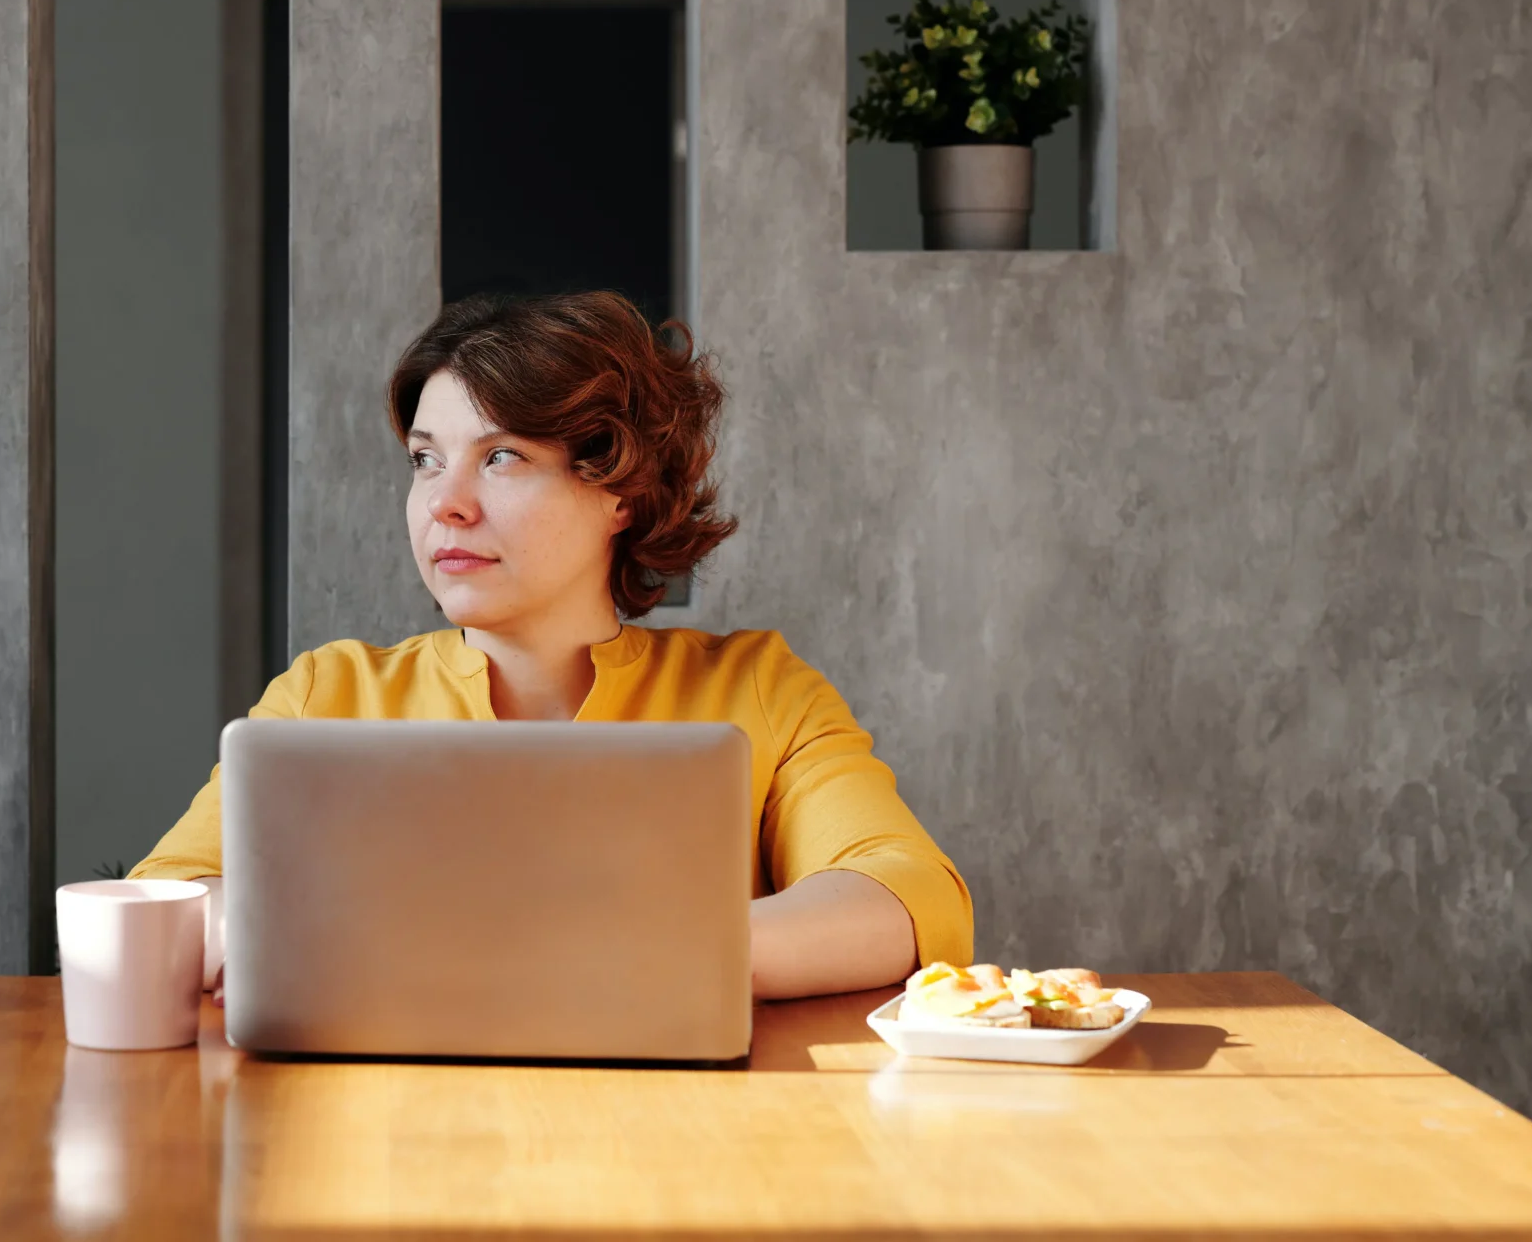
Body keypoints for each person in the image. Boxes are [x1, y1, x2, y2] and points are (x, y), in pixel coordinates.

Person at [128, 290, 972, 998]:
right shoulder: (326, 694)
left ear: (622, 493)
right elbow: (159, 901)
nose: (444, 504)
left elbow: (909, 895)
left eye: (500, 457)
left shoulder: (757, 688)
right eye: (426, 460)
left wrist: (607, 953)